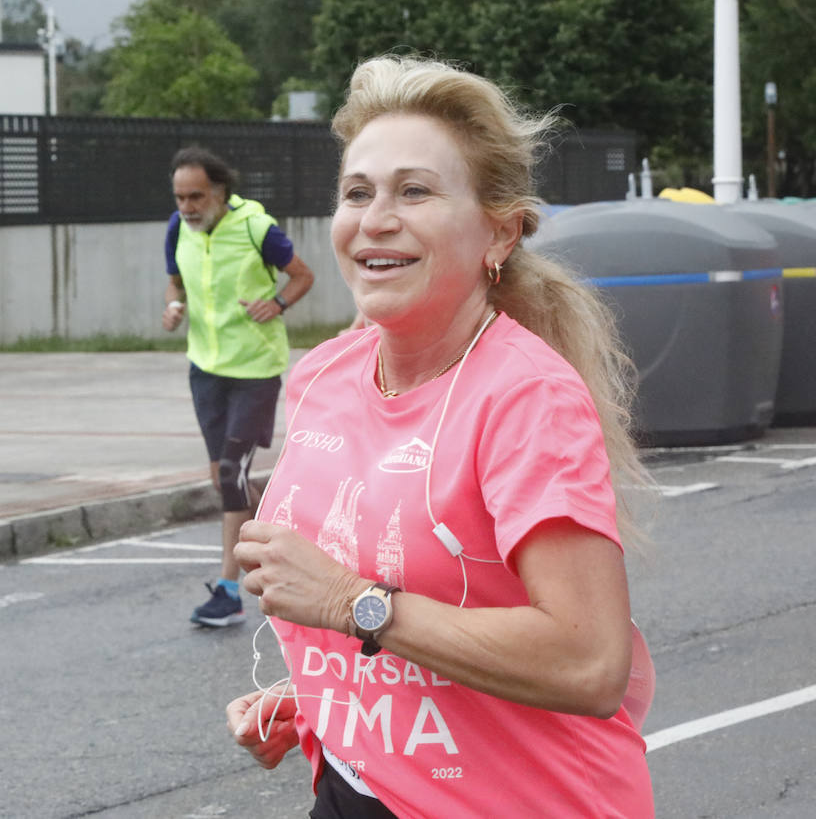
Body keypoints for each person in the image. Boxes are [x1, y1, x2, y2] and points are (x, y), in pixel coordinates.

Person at [223, 55, 655, 817]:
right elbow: (398, 598)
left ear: (500, 231)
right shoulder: (323, 377)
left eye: (415, 191)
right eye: (358, 192)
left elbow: (590, 663)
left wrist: (351, 605)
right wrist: (327, 688)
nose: (376, 218)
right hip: (359, 790)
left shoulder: (525, 398)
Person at [161, 146, 315, 627]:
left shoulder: (255, 228)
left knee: (230, 474)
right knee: (223, 478)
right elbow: (175, 283)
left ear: (220, 192)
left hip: (254, 369)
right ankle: (292, 535)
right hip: (205, 369)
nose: (187, 207)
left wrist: (277, 304)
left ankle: (229, 591)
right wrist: (174, 307)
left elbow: (301, 276)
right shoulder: (176, 229)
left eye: (196, 197)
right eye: (180, 197)